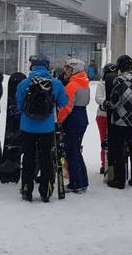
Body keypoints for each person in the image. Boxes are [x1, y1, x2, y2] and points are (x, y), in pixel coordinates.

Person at [15, 55, 68, 202]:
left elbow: (18, 105)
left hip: (27, 127)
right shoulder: (55, 84)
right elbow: (64, 102)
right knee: (46, 158)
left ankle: (27, 188)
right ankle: (46, 190)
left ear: (32, 66)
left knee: (28, 158)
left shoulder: (24, 83)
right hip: (47, 128)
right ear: (47, 66)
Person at [104, 55, 132, 189]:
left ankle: (119, 180)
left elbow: (115, 101)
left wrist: (107, 104)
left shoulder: (119, 80)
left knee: (118, 150)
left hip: (120, 120)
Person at [58, 58, 91, 193]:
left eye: (68, 69)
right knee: (76, 151)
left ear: (75, 70)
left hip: (72, 120)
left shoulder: (72, 85)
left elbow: (66, 107)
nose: (65, 71)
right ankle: (82, 181)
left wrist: (59, 120)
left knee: (72, 152)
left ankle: (76, 183)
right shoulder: (84, 83)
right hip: (82, 116)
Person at [94, 63, 118, 174]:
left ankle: (113, 163)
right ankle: (105, 164)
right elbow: (98, 98)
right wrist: (106, 102)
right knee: (104, 141)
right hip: (103, 115)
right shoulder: (101, 84)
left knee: (114, 141)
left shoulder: (119, 83)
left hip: (115, 115)